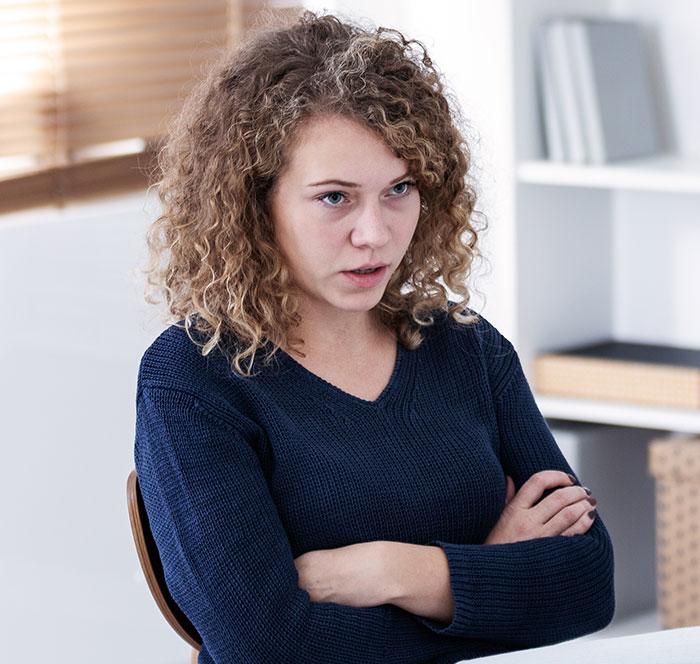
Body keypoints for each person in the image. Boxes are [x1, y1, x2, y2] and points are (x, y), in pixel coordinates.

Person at [134, 11, 614, 664]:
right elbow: (270, 648)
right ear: (255, 204)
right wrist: (491, 577)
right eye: (335, 197)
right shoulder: (194, 380)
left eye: (399, 189)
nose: (376, 234)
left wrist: (394, 571)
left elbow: (588, 584)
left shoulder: (466, 348)